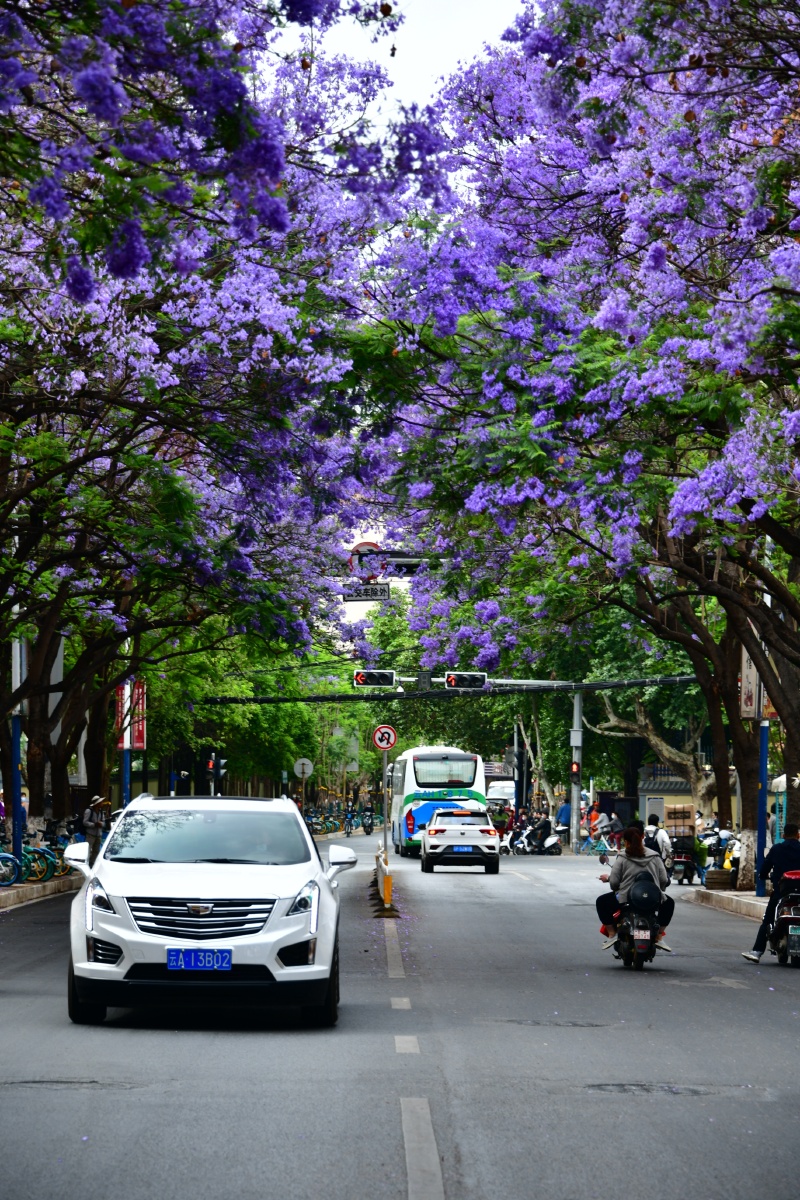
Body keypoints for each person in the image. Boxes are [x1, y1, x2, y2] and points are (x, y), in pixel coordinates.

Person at [596, 826, 674, 951]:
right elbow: (664, 880)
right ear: (642, 837)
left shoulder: (622, 857)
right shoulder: (655, 856)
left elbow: (614, 882)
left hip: (626, 898)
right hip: (653, 898)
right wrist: (660, 889)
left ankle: (611, 934)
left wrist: (615, 886)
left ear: (625, 841)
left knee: (601, 901)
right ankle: (659, 936)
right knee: (669, 903)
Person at [742, 823, 800, 963]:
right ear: (798, 835)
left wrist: (762, 875)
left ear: (784, 835)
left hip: (781, 893)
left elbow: (765, 868)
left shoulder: (777, 849)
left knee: (768, 920)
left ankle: (757, 951)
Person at [83, 795, 109, 866]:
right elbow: (85, 822)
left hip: (98, 835)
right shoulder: (89, 811)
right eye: (101, 802)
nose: (102, 803)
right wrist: (94, 825)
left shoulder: (101, 812)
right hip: (90, 835)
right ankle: (86, 864)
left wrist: (101, 824)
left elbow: (104, 822)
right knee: (88, 850)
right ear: (97, 803)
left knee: (96, 851)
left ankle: (92, 863)